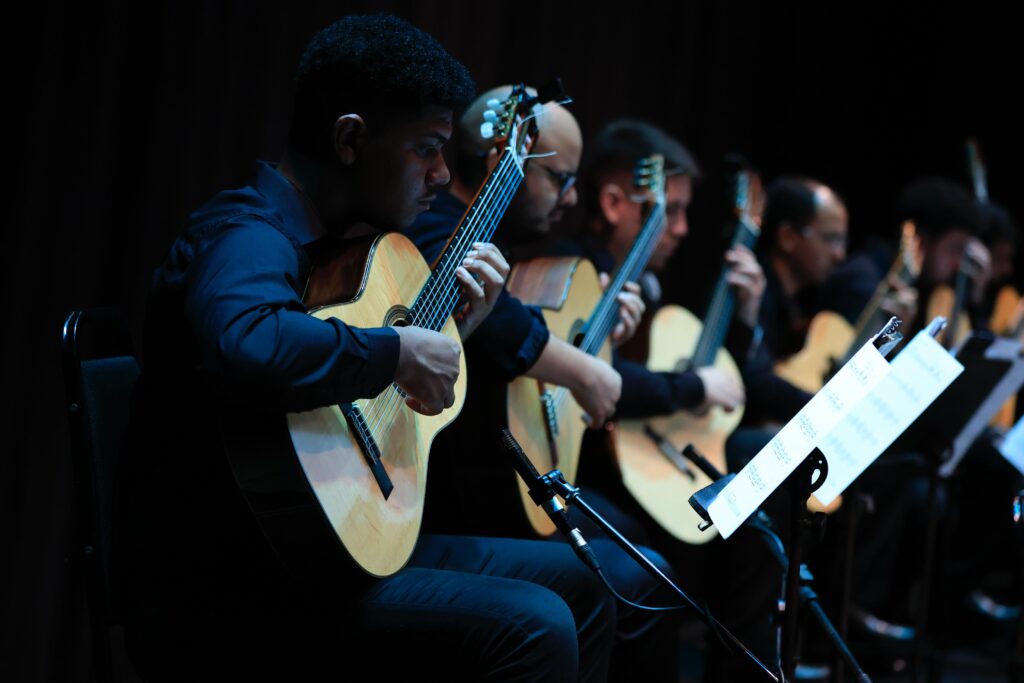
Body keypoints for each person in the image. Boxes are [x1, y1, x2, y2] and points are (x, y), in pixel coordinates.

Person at [120, 16, 617, 682]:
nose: (444, 173)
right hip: (238, 591)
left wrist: (456, 333)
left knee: (588, 579)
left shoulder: (341, 251)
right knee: (537, 621)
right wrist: (396, 352)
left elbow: (333, 412)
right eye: (427, 149)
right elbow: (244, 341)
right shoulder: (245, 229)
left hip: (310, 557)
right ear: (351, 138)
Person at [405, 88, 683, 682]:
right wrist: (583, 368)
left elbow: (523, 320)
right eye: (559, 177)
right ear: (502, 159)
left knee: (649, 559)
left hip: (501, 475)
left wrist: (603, 339)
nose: (572, 196)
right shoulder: (433, 228)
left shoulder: (514, 248)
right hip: (455, 500)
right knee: (640, 574)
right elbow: (493, 317)